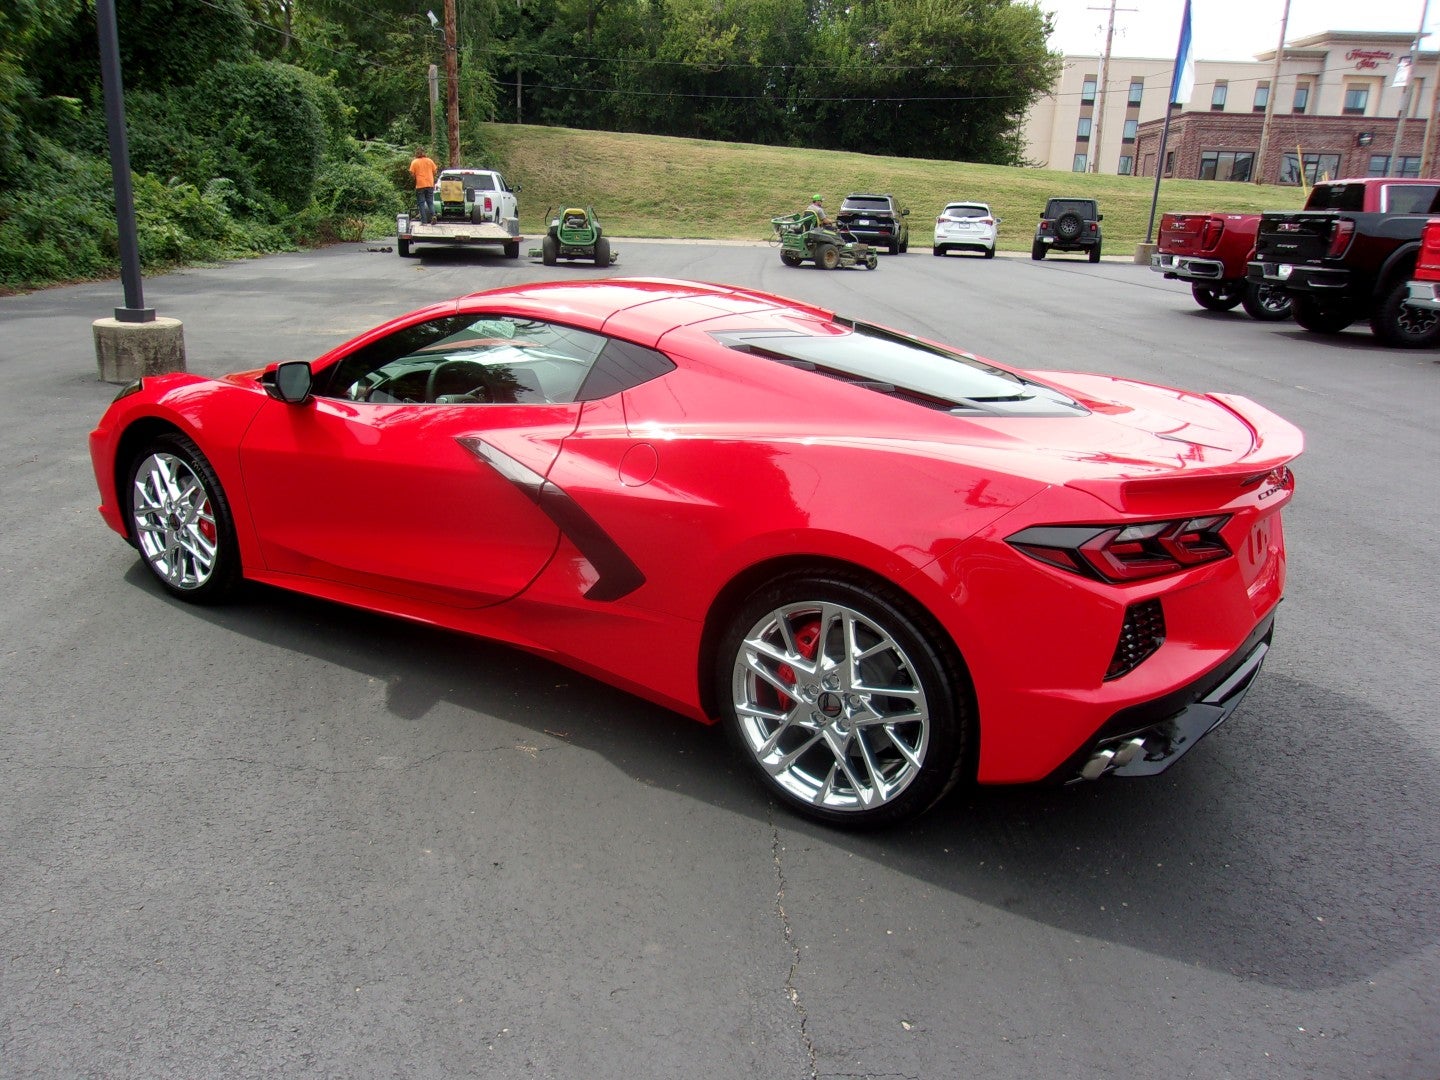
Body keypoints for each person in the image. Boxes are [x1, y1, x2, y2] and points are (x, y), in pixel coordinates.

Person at [409, 147, 438, 224]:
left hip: (420, 185)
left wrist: (415, 177)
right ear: (424, 153)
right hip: (430, 184)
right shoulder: (430, 161)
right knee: (430, 202)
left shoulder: (414, 162)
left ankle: (424, 221)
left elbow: (412, 173)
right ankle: (433, 215)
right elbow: (435, 171)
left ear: (417, 154)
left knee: (421, 203)